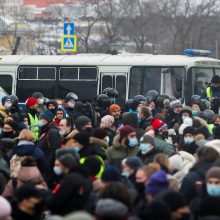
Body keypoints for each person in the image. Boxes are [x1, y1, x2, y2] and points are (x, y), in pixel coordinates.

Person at [37, 110, 60, 185]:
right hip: (43, 164)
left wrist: (47, 164)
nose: (39, 120)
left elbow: (54, 150)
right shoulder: (45, 130)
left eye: (41, 118)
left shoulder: (52, 132)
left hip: (47, 167)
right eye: (39, 118)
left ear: (48, 119)